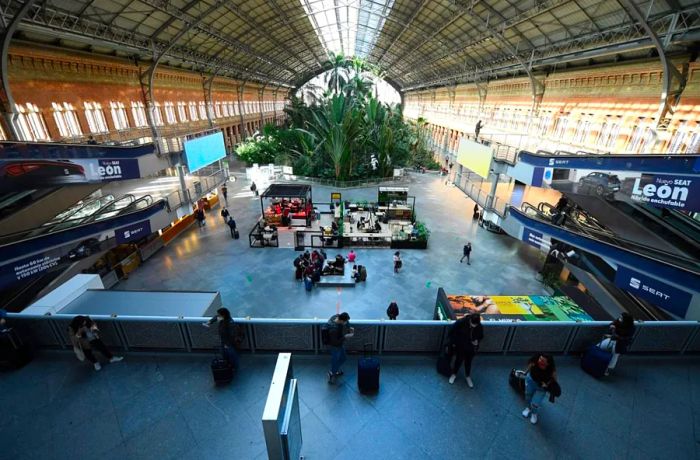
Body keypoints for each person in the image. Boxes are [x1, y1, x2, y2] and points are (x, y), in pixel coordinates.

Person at [447, 314, 483, 388]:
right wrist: (455, 343)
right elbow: (452, 332)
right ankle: (454, 374)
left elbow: (481, 336)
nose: (474, 326)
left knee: (468, 362)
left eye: (475, 325)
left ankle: (467, 376)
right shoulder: (461, 322)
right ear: (470, 320)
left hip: (471, 348)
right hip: (461, 346)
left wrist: (477, 341)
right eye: (473, 324)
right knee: (458, 360)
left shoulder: (479, 326)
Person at [522, 354, 557, 424]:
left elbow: (554, 380)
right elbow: (529, 367)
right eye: (540, 359)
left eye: (543, 360)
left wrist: (547, 385)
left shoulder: (551, 370)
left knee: (535, 403)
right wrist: (525, 373)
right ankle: (528, 408)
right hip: (530, 382)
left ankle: (534, 413)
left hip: (541, 388)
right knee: (528, 396)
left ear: (548, 363)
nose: (540, 361)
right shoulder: (535, 361)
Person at [326, 312, 354, 383]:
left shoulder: (337, 316)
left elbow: (347, 322)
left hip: (339, 344)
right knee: (335, 359)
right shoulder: (333, 330)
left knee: (343, 358)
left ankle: (334, 371)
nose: (346, 323)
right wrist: (345, 337)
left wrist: (349, 327)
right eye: (345, 322)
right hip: (334, 346)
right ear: (341, 320)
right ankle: (332, 373)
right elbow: (335, 342)